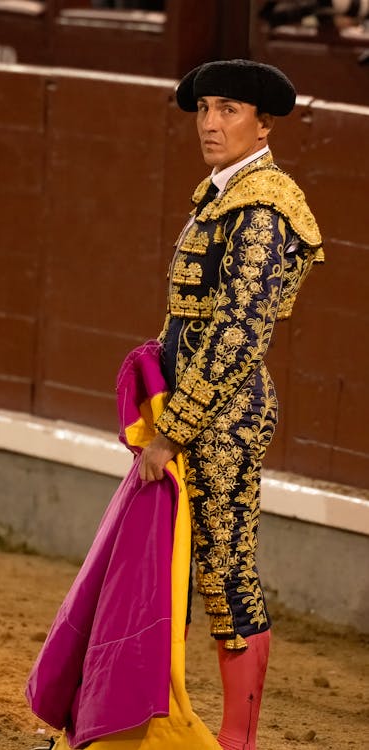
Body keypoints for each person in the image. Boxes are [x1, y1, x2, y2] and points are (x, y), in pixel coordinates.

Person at [138, 59, 323, 750]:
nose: (211, 123)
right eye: (203, 109)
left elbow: (240, 332)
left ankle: (236, 741)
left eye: (229, 110)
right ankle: (163, 723)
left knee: (223, 574)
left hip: (223, 419)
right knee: (178, 568)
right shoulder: (222, 195)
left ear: (263, 122)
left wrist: (174, 432)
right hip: (194, 409)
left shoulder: (262, 204)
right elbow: (192, 321)